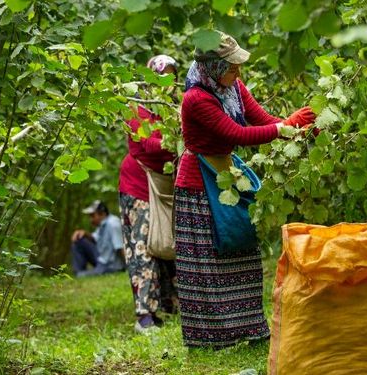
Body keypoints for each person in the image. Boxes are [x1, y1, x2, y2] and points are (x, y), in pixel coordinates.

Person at [174, 31, 316, 348]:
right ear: (213, 66)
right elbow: (238, 133)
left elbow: (262, 120)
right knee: (209, 260)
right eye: (232, 66)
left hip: (227, 173)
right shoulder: (196, 99)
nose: (239, 72)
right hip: (199, 182)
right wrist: (283, 128)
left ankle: (249, 328)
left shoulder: (233, 87)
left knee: (241, 246)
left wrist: (296, 127)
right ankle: (211, 337)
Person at [118, 55, 179, 333]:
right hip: (138, 186)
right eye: (161, 76)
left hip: (165, 188)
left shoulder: (173, 109)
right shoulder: (137, 111)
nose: (166, 82)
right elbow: (149, 145)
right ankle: (144, 316)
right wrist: (178, 139)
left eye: (171, 77)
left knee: (167, 244)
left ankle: (171, 306)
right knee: (143, 247)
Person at [71, 200, 125, 277]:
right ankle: (78, 272)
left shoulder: (113, 224)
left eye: (93, 216)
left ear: (102, 214)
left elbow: (120, 248)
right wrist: (84, 233)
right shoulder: (103, 224)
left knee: (81, 276)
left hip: (111, 266)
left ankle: (79, 275)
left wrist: (129, 268)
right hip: (102, 259)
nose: (91, 220)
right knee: (79, 241)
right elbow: (95, 238)